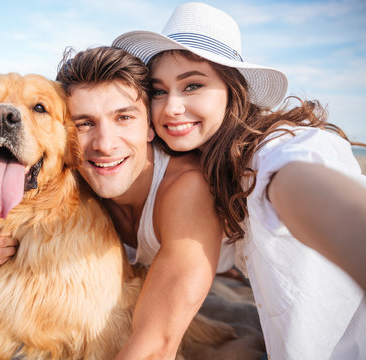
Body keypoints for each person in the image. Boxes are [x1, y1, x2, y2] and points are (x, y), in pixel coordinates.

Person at [112, 2, 366, 359]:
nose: (170, 107)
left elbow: (304, 184)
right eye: (158, 90)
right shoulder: (213, 172)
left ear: (233, 89)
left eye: (192, 86)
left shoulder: (273, 149)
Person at [0, 46, 232, 358]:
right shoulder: (77, 179)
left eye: (124, 117)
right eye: (85, 123)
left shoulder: (186, 191)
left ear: (151, 126)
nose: (104, 145)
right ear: (69, 136)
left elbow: (156, 345)